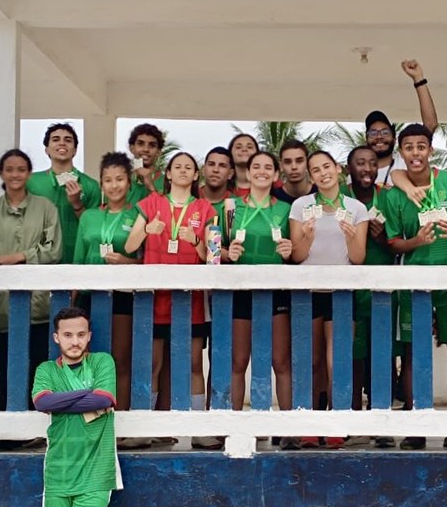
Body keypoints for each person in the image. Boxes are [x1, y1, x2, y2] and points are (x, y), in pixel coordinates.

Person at [382, 124, 447, 450]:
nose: (416, 153)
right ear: (401, 153)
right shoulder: (394, 195)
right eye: (408, 148)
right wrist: (416, 241)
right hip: (413, 282)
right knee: (413, 352)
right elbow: (393, 243)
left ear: (430, 150)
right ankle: (416, 425)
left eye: (421, 147)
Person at [32, 306, 121, 507]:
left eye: (81, 334)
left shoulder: (102, 362)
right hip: (58, 470)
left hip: (97, 471)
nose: (74, 341)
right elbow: (41, 402)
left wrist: (66, 400)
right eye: (67, 335)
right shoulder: (46, 369)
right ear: (57, 337)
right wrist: (87, 395)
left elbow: (106, 397)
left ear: (89, 336)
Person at [125, 152, 216, 426]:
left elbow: (211, 256)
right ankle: (146, 427)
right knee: (152, 365)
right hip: (156, 299)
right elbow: (130, 247)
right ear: (167, 173)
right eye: (177, 167)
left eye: (189, 167)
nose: (183, 171)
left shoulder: (204, 208)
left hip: (191, 300)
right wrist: (147, 230)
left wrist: (196, 239)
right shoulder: (152, 203)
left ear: (196, 174)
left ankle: (199, 427)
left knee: (193, 365)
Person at [289, 150, 369, 447]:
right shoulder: (301, 206)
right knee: (312, 361)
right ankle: (311, 423)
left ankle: (337, 423)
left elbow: (359, 258)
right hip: (309, 292)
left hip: (341, 292)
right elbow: (297, 256)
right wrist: (307, 238)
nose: (323, 173)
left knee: (337, 360)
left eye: (327, 167)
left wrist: (350, 237)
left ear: (338, 170)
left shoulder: (356, 208)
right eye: (316, 170)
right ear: (310, 177)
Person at [0, 149, 62, 421]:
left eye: (21, 169)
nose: (15, 174)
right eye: (9, 169)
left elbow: (54, 251)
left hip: (39, 304)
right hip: (2, 306)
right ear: (2, 174)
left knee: (39, 368)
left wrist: (19, 257)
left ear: (28, 173)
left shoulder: (45, 208)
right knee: (8, 366)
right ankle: (11, 431)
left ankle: (37, 428)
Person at [225, 151, 293, 435]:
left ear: (276, 175)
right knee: (239, 360)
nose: (262, 171)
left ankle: (287, 431)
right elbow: (220, 249)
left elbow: (296, 252)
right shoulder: (231, 208)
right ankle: (235, 427)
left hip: (275, 289)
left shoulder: (286, 210)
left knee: (280, 360)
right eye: (256, 167)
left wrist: (290, 253)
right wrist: (229, 254)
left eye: (268, 167)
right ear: (247, 173)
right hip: (241, 289)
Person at [73, 153, 140, 420]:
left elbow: (146, 259)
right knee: (86, 361)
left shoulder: (138, 215)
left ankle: (119, 419)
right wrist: (72, 302)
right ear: (101, 183)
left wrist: (126, 261)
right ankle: (87, 418)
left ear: (129, 182)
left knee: (120, 361)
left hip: (122, 296)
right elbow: (78, 259)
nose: (114, 186)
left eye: (120, 179)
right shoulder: (88, 216)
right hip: (88, 297)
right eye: (108, 180)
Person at [346, 146, 397, 447]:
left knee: (384, 354)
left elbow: (401, 242)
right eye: (360, 163)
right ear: (348, 167)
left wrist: (382, 237)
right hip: (349, 288)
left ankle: (381, 419)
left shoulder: (388, 197)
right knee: (352, 354)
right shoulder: (339, 198)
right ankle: (352, 417)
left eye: (371, 163)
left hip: (382, 287)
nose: (366, 168)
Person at [27, 123, 101, 264]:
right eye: (55, 139)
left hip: (78, 260)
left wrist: (77, 204)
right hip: (39, 261)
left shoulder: (90, 185)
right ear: (47, 150)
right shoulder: (31, 182)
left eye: (68, 140)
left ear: (75, 150)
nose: (62, 143)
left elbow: (94, 228)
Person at [365, 59, 438, 189]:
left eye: (385, 132)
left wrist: (418, 79)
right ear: (366, 138)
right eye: (373, 133)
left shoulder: (405, 159)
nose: (379, 136)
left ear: (394, 138)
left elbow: (430, 124)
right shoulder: (359, 172)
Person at [126, 123, 165, 205]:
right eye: (140, 144)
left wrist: (151, 187)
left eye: (152, 145)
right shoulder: (120, 180)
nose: (146, 149)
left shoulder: (168, 183)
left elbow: (167, 214)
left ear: (158, 152)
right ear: (131, 148)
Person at [272, 139, 317, 204]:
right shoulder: (273, 198)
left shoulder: (320, 194)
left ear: (307, 163)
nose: (294, 167)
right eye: (287, 162)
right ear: (281, 166)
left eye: (299, 161)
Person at [228, 133, 260, 198]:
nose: (244, 149)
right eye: (238, 147)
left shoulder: (272, 184)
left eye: (249, 147)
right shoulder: (222, 186)